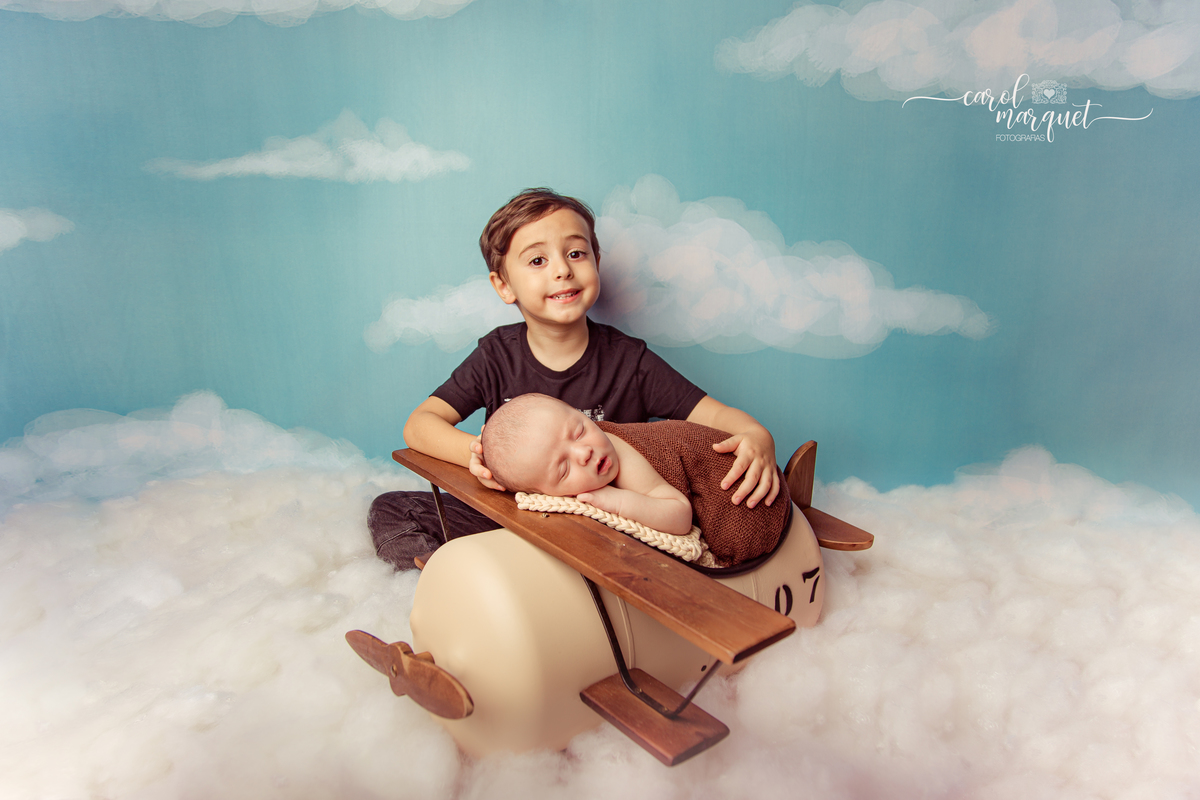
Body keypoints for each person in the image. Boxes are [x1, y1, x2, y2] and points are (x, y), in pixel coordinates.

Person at [369, 188, 780, 569]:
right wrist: (480, 456)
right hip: (515, 521)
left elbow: (718, 417)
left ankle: (513, 583)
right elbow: (418, 426)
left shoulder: (628, 361)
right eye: (537, 260)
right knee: (392, 510)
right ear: (503, 285)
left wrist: (757, 435)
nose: (562, 270)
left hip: (604, 531)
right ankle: (453, 581)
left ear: (596, 263)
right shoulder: (496, 356)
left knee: (625, 559)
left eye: (577, 253)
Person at [482, 394, 788, 566]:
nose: (584, 453)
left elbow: (679, 516)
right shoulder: (573, 471)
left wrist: (618, 502)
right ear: (544, 493)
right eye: (563, 469)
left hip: (744, 489)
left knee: (740, 534)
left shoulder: (622, 455)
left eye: (579, 431)